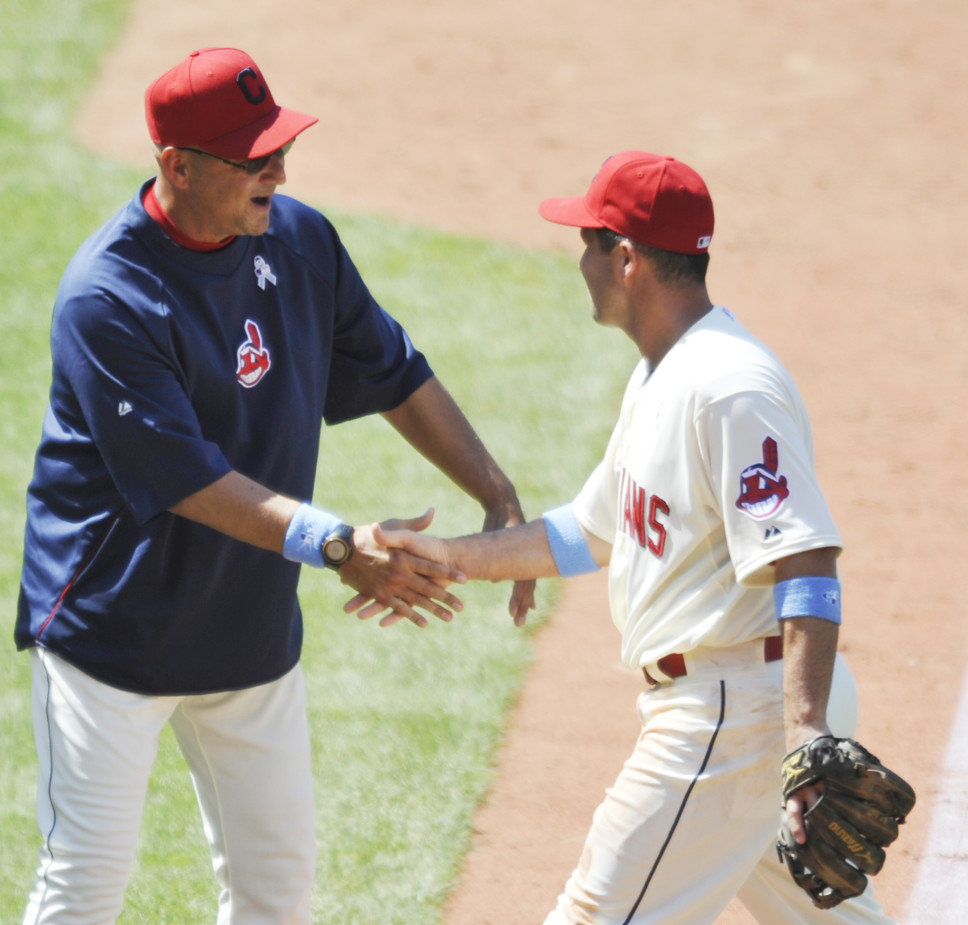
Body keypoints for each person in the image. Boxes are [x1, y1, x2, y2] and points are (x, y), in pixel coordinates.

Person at [13, 46, 534, 924]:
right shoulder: (108, 297)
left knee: (275, 890)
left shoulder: (299, 241)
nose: (278, 170)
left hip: (247, 635)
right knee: (82, 890)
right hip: (116, 642)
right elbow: (193, 483)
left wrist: (497, 492)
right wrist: (337, 544)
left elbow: (393, 371)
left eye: (280, 147)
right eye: (252, 157)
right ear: (177, 165)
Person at [370, 152, 903, 924]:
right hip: (734, 702)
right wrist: (453, 555)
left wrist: (804, 733)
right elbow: (589, 530)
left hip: (734, 716)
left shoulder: (729, 387)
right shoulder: (661, 372)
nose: (578, 261)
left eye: (586, 243)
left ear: (625, 258)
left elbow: (806, 556)